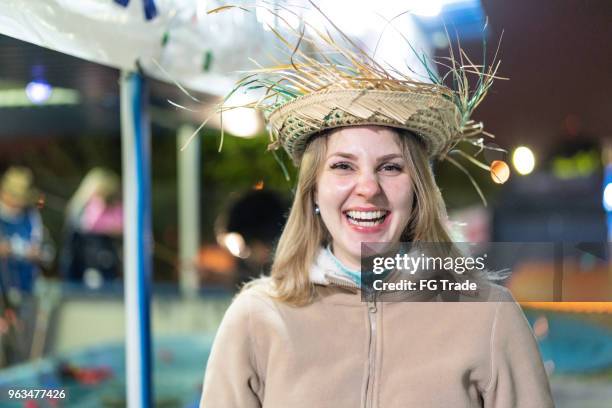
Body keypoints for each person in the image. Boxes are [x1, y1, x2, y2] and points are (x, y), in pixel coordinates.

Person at [200, 5, 553, 407]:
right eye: (343, 166)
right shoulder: (255, 318)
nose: (367, 188)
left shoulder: (489, 315)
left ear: (418, 189)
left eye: (390, 167)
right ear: (313, 190)